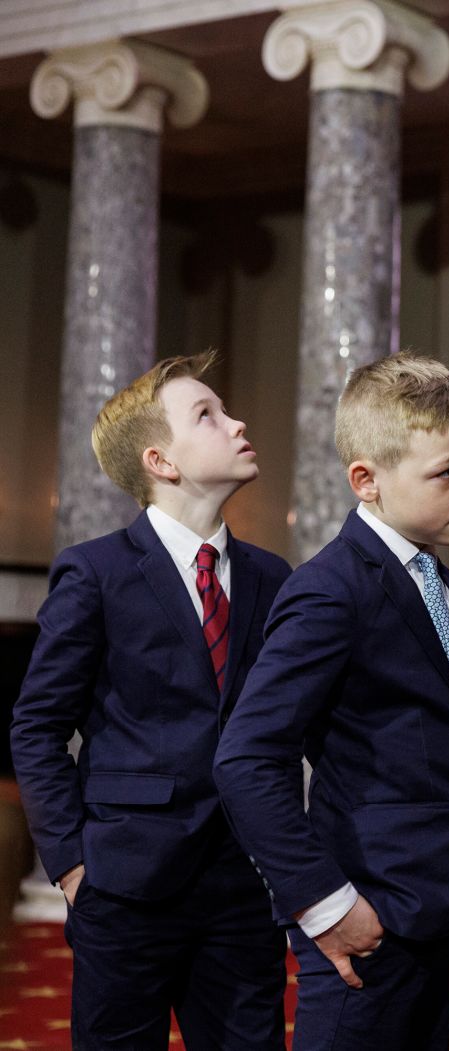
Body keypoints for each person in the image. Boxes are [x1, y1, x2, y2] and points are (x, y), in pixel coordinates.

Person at [213, 353, 449, 1050]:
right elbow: (246, 758)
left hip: (443, 913)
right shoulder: (329, 589)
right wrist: (326, 903)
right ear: (366, 480)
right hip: (368, 922)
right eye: (445, 473)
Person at [10, 352, 289, 1049]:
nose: (237, 421)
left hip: (240, 883)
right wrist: (74, 865)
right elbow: (38, 726)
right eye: (209, 415)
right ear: (161, 461)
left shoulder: (270, 576)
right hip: (123, 884)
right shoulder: (97, 571)